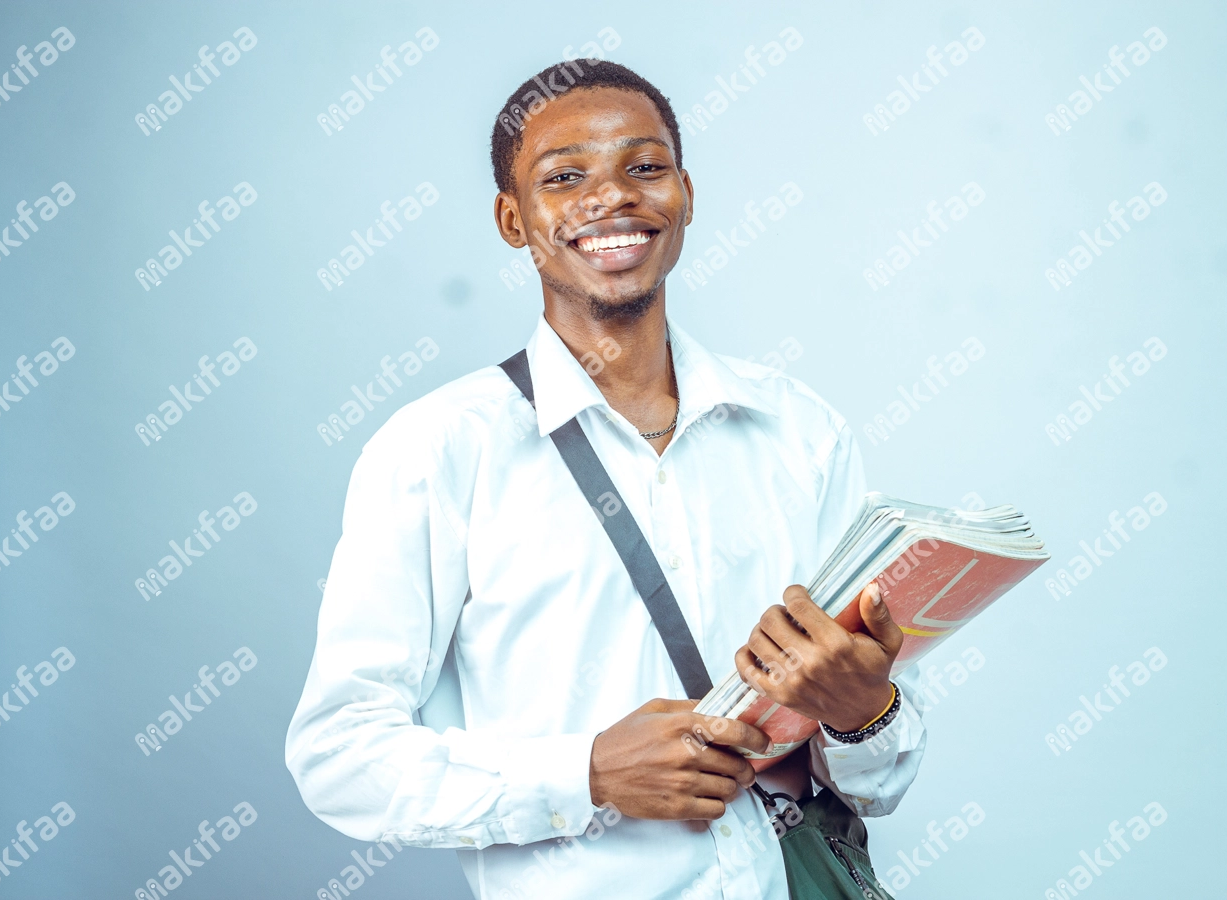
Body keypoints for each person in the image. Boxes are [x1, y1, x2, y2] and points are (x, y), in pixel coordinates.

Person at [286, 59, 926, 900]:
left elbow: (882, 779)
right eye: (564, 178)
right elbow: (340, 757)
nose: (611, 198)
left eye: (645, 167)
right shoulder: (439, 450)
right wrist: (582, 775)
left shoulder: (801, 430)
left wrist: (864, 712)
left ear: (685, 196)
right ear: (513, 220)